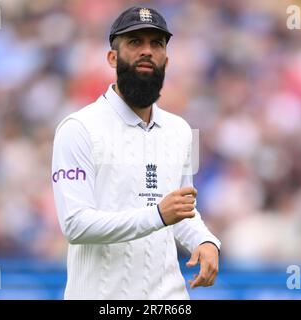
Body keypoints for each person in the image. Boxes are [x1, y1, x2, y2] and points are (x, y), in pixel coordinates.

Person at [52, 6, 221, 300]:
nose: (147, 51)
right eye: (135, 42)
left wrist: (205, 241)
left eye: (156, 43)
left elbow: (180, 212)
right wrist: (156, 215)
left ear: (166, 60)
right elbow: (75, 225)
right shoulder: (78, 127)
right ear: (112, 57)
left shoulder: (181, 130)